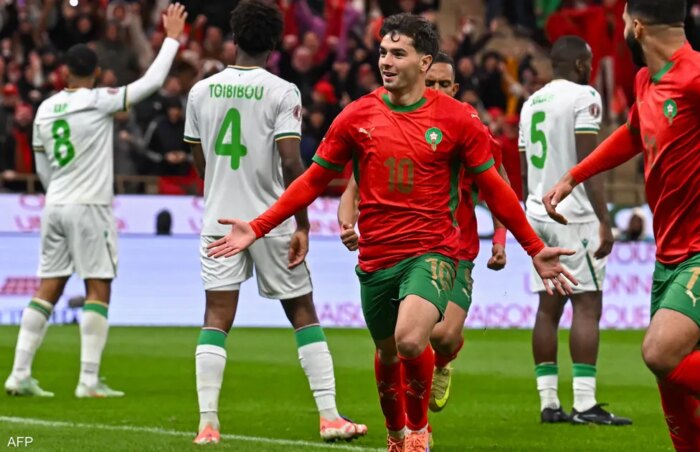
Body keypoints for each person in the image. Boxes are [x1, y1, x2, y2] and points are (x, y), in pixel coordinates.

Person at [206, 13, 575, 452]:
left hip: (433, 252)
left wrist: (532, 246)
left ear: (424, 62)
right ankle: (397, 434)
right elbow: (312, 180)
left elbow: (495, 188)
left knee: (410, 340)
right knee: (386, 352)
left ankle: (418, 431)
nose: (386, 61)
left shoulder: (458, 119)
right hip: (376, 258)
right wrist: (259, 226)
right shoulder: (357, 116)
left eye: (398, 53)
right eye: (383, 52)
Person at [542, 1, 700, 450]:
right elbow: (633, 133)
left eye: (624, 22)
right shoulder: (647, 80)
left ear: (637, 27)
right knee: (675, 372)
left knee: (661, 351)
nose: (622, 29)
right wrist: (574, 175)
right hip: (672, 251)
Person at [182, 0, 367, 445]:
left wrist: (218, 188)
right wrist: (301, 223)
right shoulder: (283, 91)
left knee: (216, 316)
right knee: (302, 312)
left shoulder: (200, 91)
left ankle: (208, 424)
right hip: (271, 220)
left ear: (234, 37)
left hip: (220, 220)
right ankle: (329, 417)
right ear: (275, 44)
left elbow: (198, 157)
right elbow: (291, 161)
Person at [4, 4, 187, 399]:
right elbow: (152, 81)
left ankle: (19, 373)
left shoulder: (45, 109)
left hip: (55, 205)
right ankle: (88, 380)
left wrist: (58, 191)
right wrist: (172, 39)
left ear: (65, 73)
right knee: (98, 286)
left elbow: (42, 166)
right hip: (89, 206)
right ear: (97, 73)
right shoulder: (99, 100)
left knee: (48, 286)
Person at [337, 51, 511, 415]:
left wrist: (500, 239)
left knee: (442, 336)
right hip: (402, 248)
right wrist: (347, 221)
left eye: (444, 84)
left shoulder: (467, 125)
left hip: (456, 249)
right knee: (407, 340)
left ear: (455, 88)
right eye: (431, 82)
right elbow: (355, 183)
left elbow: (498, 185)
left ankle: (444, 360)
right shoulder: (393, 120)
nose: (437, 89)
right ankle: (417, 429)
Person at [519, 36, 630, 426]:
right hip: (574, 214)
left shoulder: (531, 102)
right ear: (581, 65)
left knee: (548, 308)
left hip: (536, 211)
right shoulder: (584, 97)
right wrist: (604, 219)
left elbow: (524, 170)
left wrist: (530, 213)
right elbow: (589, 163)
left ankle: (549, 403)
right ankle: (584, 404)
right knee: (587, 304)